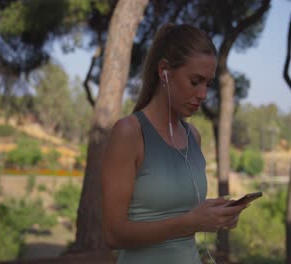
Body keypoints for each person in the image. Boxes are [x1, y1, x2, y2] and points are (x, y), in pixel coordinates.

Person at [102, 23, 248, 264]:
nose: (203, 94)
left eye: (208, 84)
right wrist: (191, 223)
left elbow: (186, 214)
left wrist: (218, 216)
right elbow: (113, 234)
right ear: (164, 72)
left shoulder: (194, 136)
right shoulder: (129, 133)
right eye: (195, 81)